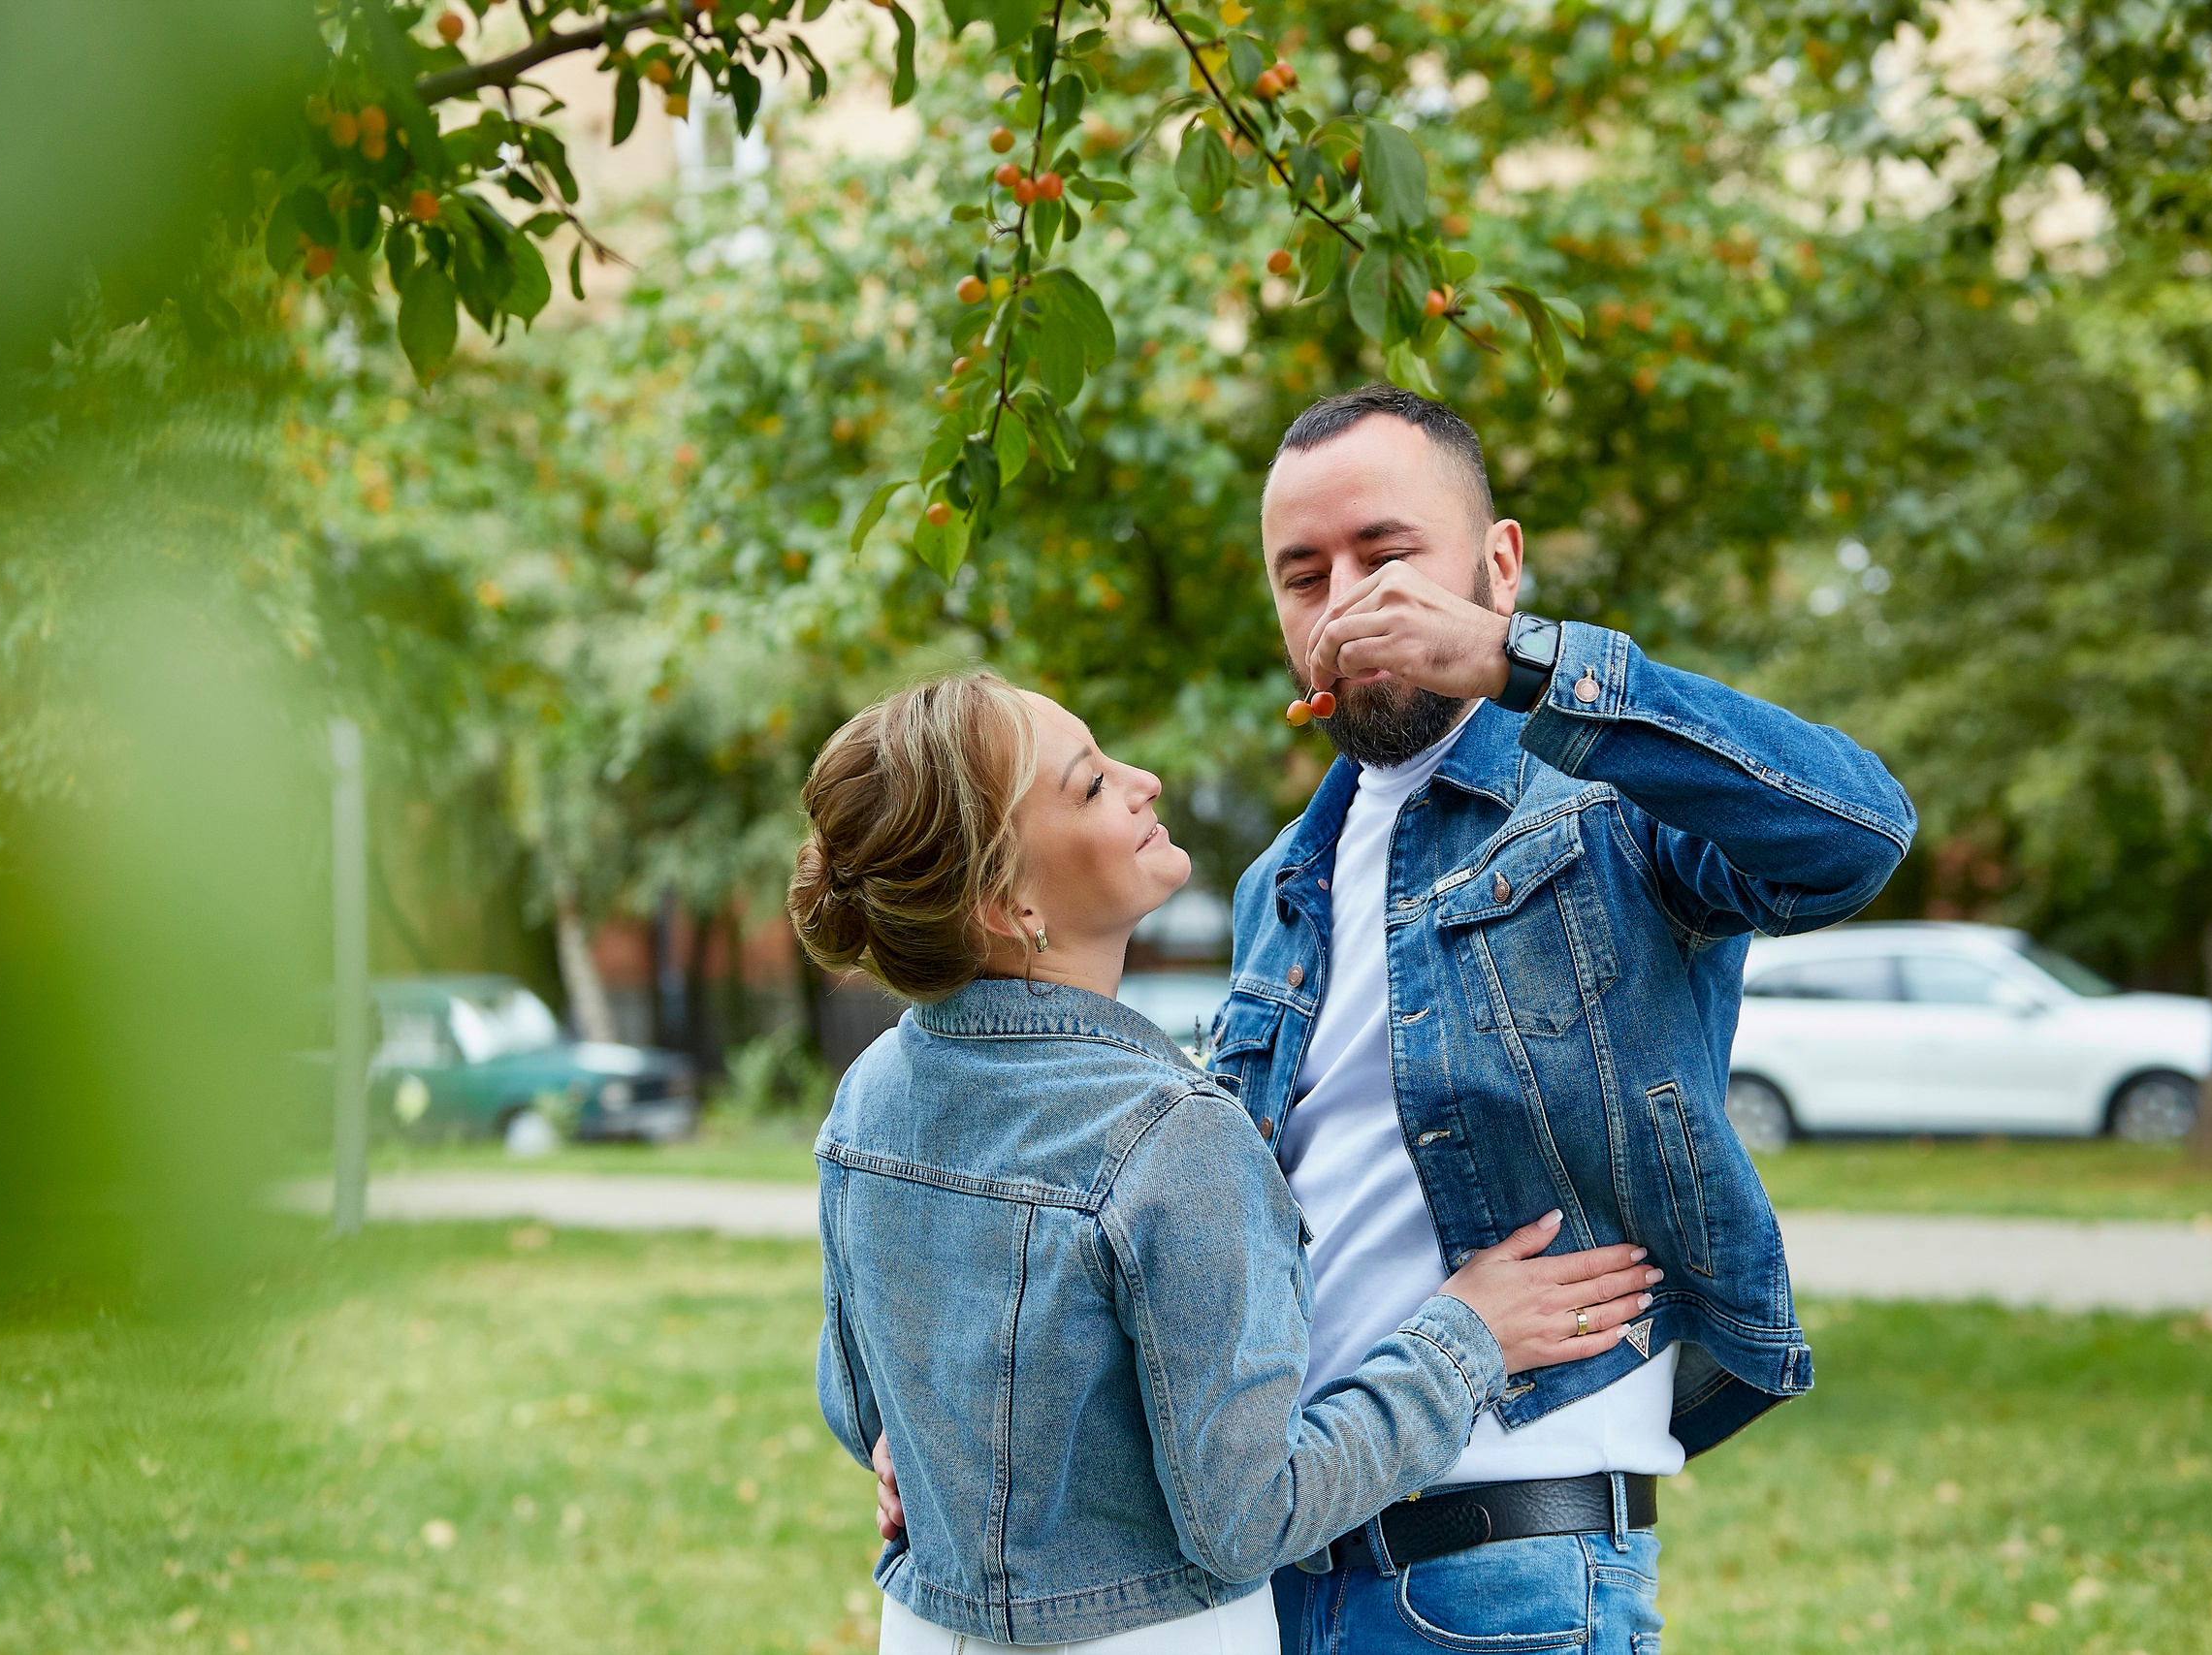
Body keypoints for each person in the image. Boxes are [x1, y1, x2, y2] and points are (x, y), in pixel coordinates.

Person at [1219, 386, 1918, 1653]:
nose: (1347, 602)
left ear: (1499, 562)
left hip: (1499, 1576)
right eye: (1303, 573)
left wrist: (1523, 661)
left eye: (1386, 555)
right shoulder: (1282, 877)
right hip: (1273, 1566)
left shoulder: (1605, 800)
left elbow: (1857, 833)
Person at [793, 670, 1664, 1654]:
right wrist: (1467, 1340)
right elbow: (1248, 1518)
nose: (1144, 780)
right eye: (1088, 785)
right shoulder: (1172, 1136)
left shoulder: (869, 1094)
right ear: (1009, 902)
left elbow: (856, 1406)